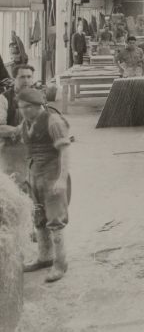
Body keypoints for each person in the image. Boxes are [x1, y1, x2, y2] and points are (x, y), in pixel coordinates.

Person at [19, 88, 72, 283]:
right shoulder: (26, 123)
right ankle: (44, 257)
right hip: (35, 174)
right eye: (21, 107)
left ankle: (60, 262)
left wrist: (62, 178)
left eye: (27, 107)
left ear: (37, 106)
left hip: (52, 174)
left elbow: (65, 150)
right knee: (39, 217)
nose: (24, 111)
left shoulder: (53, 120)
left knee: (55, 220)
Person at [0, 64, 35, 191]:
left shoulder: (36, 97)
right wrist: (17, 130)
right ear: (14, 78)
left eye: (29, 77)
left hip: (31, 148)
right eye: (22, 77)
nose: (26, 80)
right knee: (13, 187)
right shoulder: (4, 99)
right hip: (9, 149)